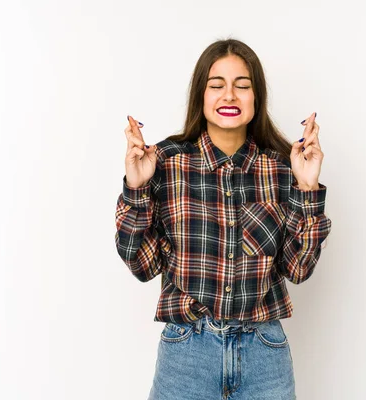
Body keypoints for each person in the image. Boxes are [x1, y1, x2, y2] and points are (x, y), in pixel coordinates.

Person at [115, 38, 332, 400]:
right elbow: (141, 265)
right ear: (201, 95)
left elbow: (298, 269)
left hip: (264, 352)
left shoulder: (280, 167)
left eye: (242, 86)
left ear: (256, 97)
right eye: (217, 85)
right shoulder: (166, 162)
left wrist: (307, 188)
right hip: (186, 354)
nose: (229, 95)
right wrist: (136, 188)